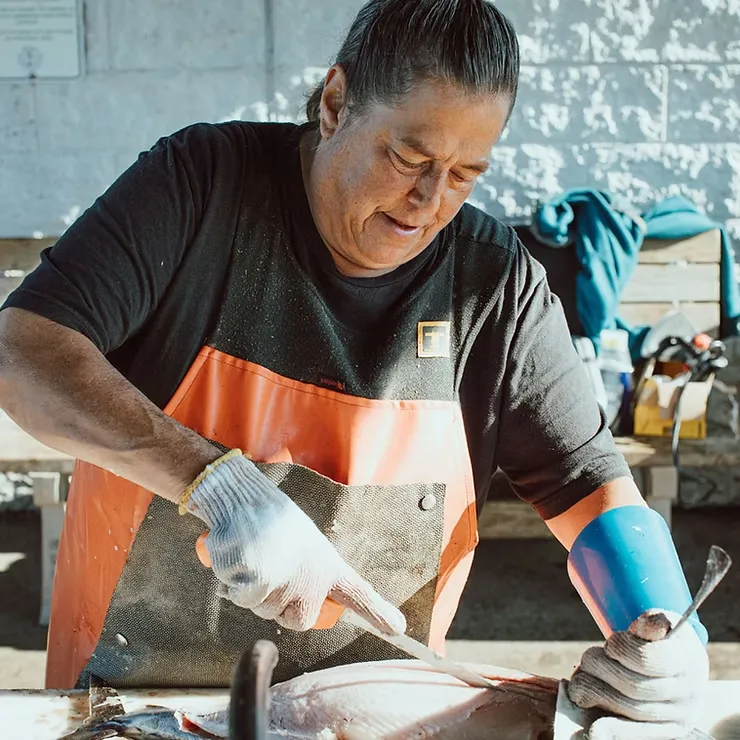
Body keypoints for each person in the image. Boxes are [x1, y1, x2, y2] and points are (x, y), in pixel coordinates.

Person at [0, 0, 708, 736]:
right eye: (408, 159)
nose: (430, 203)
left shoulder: (496, 290)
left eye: (466, 174)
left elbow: (590, 483)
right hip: (130, 709)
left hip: (373, 721)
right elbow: (23, 351)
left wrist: (662, 626)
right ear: (336, 102)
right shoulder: (199, 189)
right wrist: (214, 483)